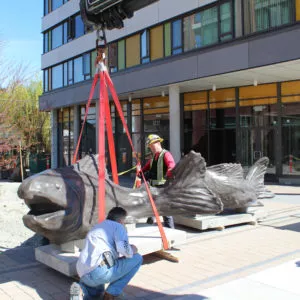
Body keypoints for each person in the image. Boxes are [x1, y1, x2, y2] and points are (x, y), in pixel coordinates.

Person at [70, 207, 143, 300]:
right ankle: (112, 292)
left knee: (96, 294)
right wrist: (133, 249)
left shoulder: (97, 226)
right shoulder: (118, 226)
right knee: (137, 258)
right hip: (99, 271)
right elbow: (125, 251)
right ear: (121, 220)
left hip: (82, 272)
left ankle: (81, 290)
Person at [142, 134, 176, 229]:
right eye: (150, 147)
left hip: (163, 188)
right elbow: (147, 166)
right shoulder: (154, 157)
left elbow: (171, 165)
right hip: (153, 187)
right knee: (151, 207)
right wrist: (141, 172)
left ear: (158, 143)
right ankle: (149, 226)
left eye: (152, 146)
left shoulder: (166, 154)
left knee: (165, 211)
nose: (151, 148)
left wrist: (169, 174)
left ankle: (171, 231)